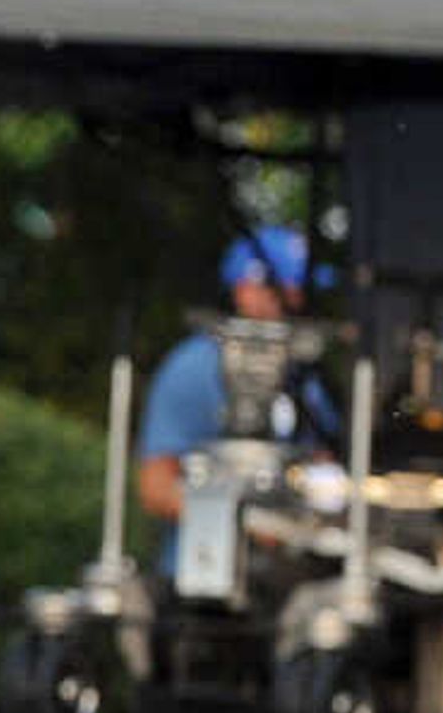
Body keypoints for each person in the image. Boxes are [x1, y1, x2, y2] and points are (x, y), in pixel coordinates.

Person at [134, 226, 340, 579]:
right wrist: (250, 522)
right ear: (246, 289)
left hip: (289, 584)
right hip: (198, 589)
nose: (297, 300)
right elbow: (155, 488)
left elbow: (324, 467)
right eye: (286, 288)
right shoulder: (195, 368)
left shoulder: (303, 372)